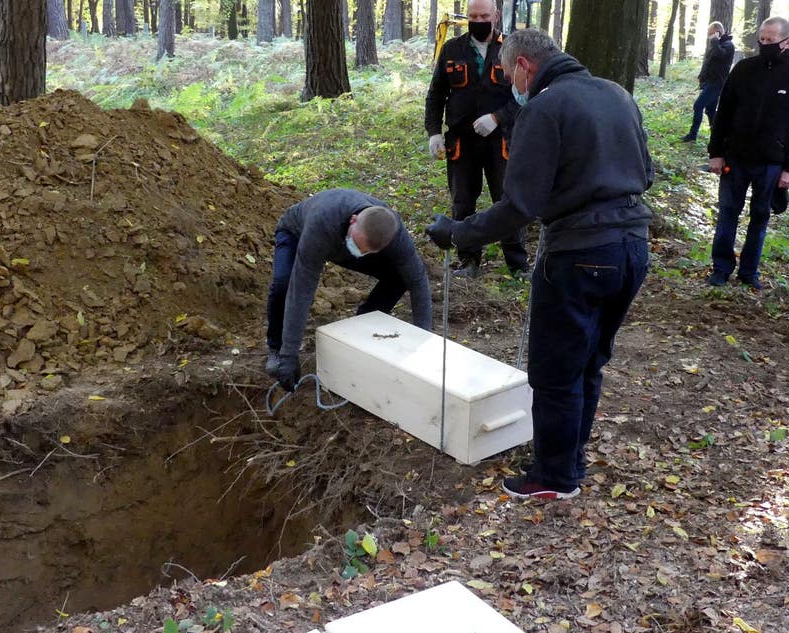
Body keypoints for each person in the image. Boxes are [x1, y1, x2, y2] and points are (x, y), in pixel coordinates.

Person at [425, 29, 653, 501]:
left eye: (508, 75)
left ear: (524, 68)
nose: (510, 83)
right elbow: (646, 173)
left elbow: (518, 205)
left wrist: (458, 232)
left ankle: (553, 476)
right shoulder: (616, 94)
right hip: (633, 246)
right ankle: (572, 455)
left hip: (579, 253)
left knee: (555, 370)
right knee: (590, 360)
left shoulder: (544, 108)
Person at [264, 189, 433, 390]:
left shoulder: (393, 233)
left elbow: (418, 280)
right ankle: (276, 347)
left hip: (344, 245)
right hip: (296, 234)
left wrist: (424, 342)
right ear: (353, 220)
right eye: (358, 244)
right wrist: (288, 354)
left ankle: (364, 323)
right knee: (284, 282)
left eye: (366, 250)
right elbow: (301, 288)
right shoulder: (323, 221)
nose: (359, 252)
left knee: (400, 275)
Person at [706, 16, 789, 291]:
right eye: (761, 39)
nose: (764, 44)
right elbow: (723, 113)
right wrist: (716, 153)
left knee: (760, 217)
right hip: (735, 158)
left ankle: (749, 272)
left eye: (771, 40)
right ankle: (720, 268)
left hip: (772, 163)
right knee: (728, 212)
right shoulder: (743, 69)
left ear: (786, 42)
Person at [425, 0, 528, 279]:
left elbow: (524, 97)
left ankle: (517, 264)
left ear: (495, 16)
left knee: (506, 200)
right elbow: (436, 95)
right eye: (473, 16)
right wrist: (434, 132)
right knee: (462, 202)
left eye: (483, 15)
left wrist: (497, 118)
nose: (478, 20)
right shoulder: (452, 49)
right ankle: (468, 261)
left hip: (501, 142)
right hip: (461, 143)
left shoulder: (512, 49)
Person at [680, 22, 735, 143]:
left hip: (716, 84)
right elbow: (709, 63)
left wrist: (715, 41)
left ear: (717, 32)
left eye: (711, 34)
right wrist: (702, 78)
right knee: (710, 111)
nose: (709, 37)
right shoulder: (719, 44)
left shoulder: (728, 45)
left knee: (698, 106)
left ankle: (692, 135)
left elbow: (720, 55)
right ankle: (717, 137)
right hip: (709, 82)